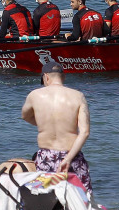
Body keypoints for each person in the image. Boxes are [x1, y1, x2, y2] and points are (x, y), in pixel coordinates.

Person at [21, 62, 93, 196]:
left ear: (46, 77)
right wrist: (67, 159)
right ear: (63, 77)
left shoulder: (34, 95)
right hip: (72, 156)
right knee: (84, 200)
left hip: (45, 157)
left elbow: (25, 116)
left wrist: (44, 125)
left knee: (45, 201)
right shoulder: (78, 96)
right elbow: (84, 132)